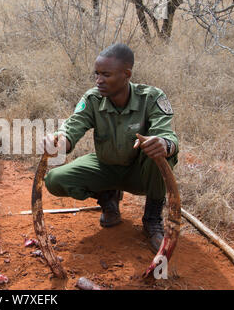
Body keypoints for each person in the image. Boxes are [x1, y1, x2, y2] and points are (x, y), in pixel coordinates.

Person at [42, 43, 178, 253]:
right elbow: (71, 128)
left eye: (106, 74)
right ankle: (108, 198)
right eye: (96, 74)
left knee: (159, 155)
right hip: (106, 166)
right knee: (54, 180)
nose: (99, 80)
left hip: (140, 173)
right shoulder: (92, 98)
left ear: (126, 74)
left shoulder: (151, 98)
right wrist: (58, 141)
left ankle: (152, 219)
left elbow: (167, 135)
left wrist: (163, 144)